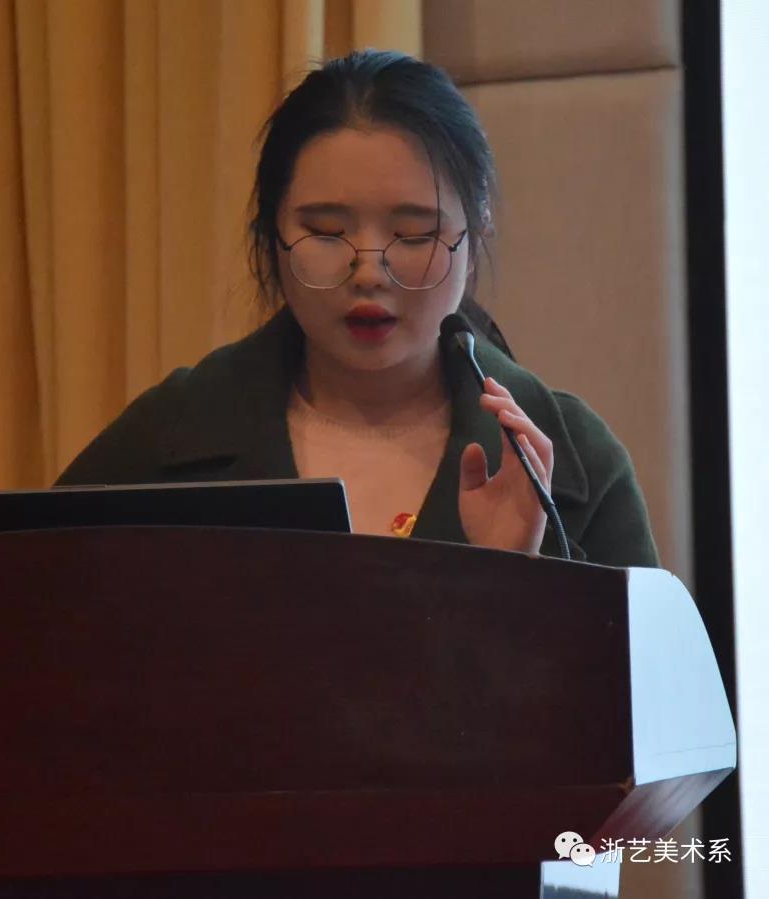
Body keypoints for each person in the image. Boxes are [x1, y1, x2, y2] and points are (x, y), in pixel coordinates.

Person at [55, 49, 658, 568]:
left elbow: (645, 671)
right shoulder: (168, 439)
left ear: (475, 233)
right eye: (325, 232)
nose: (368, 271)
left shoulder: (574, 463)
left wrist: (517, 578)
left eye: (415, 234)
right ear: (271, 232)